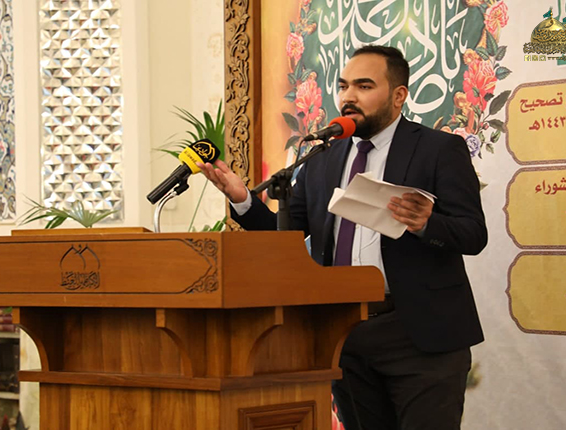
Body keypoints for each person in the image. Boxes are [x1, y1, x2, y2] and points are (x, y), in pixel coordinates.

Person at [199, 44, 486, 429]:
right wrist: (243, 201)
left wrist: (425, 223)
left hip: (419, 334)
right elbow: (286, 237)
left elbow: (473, 234)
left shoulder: (438, 149)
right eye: (343, 86)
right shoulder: (323, 157)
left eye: (364, 86)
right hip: (344, 332)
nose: (349, 96)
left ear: (398, 95)